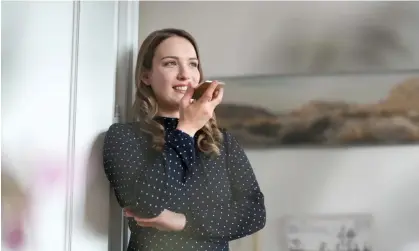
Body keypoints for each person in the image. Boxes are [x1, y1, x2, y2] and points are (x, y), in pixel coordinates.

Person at [102, 28, 266, 251]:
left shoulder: (222, 141)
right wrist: (186, 129)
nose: (185, 74)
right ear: (146, 75)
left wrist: (183, 222)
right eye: (170, 63)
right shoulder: (124, 136)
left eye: (192, 64)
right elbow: (148, 205)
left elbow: (254, 213)